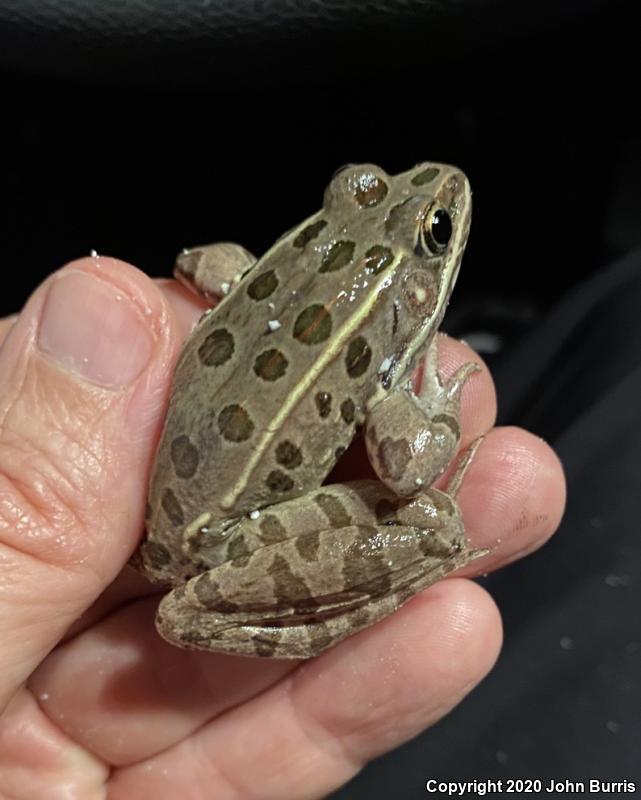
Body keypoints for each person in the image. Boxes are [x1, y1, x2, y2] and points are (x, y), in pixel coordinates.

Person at [0, 256, 564, 797]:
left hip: (156, 518)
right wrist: (436, 408)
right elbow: (411, 466)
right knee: (429, 522)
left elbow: (198, 261)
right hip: (222, 534)